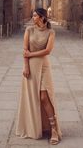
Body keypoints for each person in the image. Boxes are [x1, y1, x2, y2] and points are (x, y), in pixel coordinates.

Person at [16, 8, 62, 144]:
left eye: (35, 15)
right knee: (32, 97)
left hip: (44, 66)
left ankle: (54, 129)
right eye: (33, 15)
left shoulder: (51, 32)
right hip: (30, 66)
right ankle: (36, 126)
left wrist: (31, 54)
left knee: (44, 96)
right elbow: (25, 50)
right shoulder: (29, 30)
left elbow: (48, 51)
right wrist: (26, 65)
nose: (33, 17)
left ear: (42, 17)